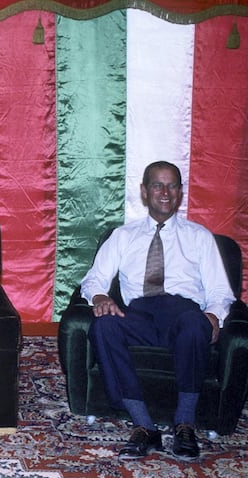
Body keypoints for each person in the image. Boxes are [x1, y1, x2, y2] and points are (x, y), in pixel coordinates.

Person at [81, 160, 235, 461]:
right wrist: (100, 297)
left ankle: (185, 424)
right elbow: (94, 279)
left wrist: (214, 315)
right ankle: (144, 426)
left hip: (184, 314)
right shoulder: (123, 236)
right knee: (104, 326)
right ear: (144, 191)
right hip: (139, 314)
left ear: (179, 193)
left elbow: (220, 292)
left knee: (195, 323)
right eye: (157, 185)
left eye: (172, 186)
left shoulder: (199, 236)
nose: (165, 192)